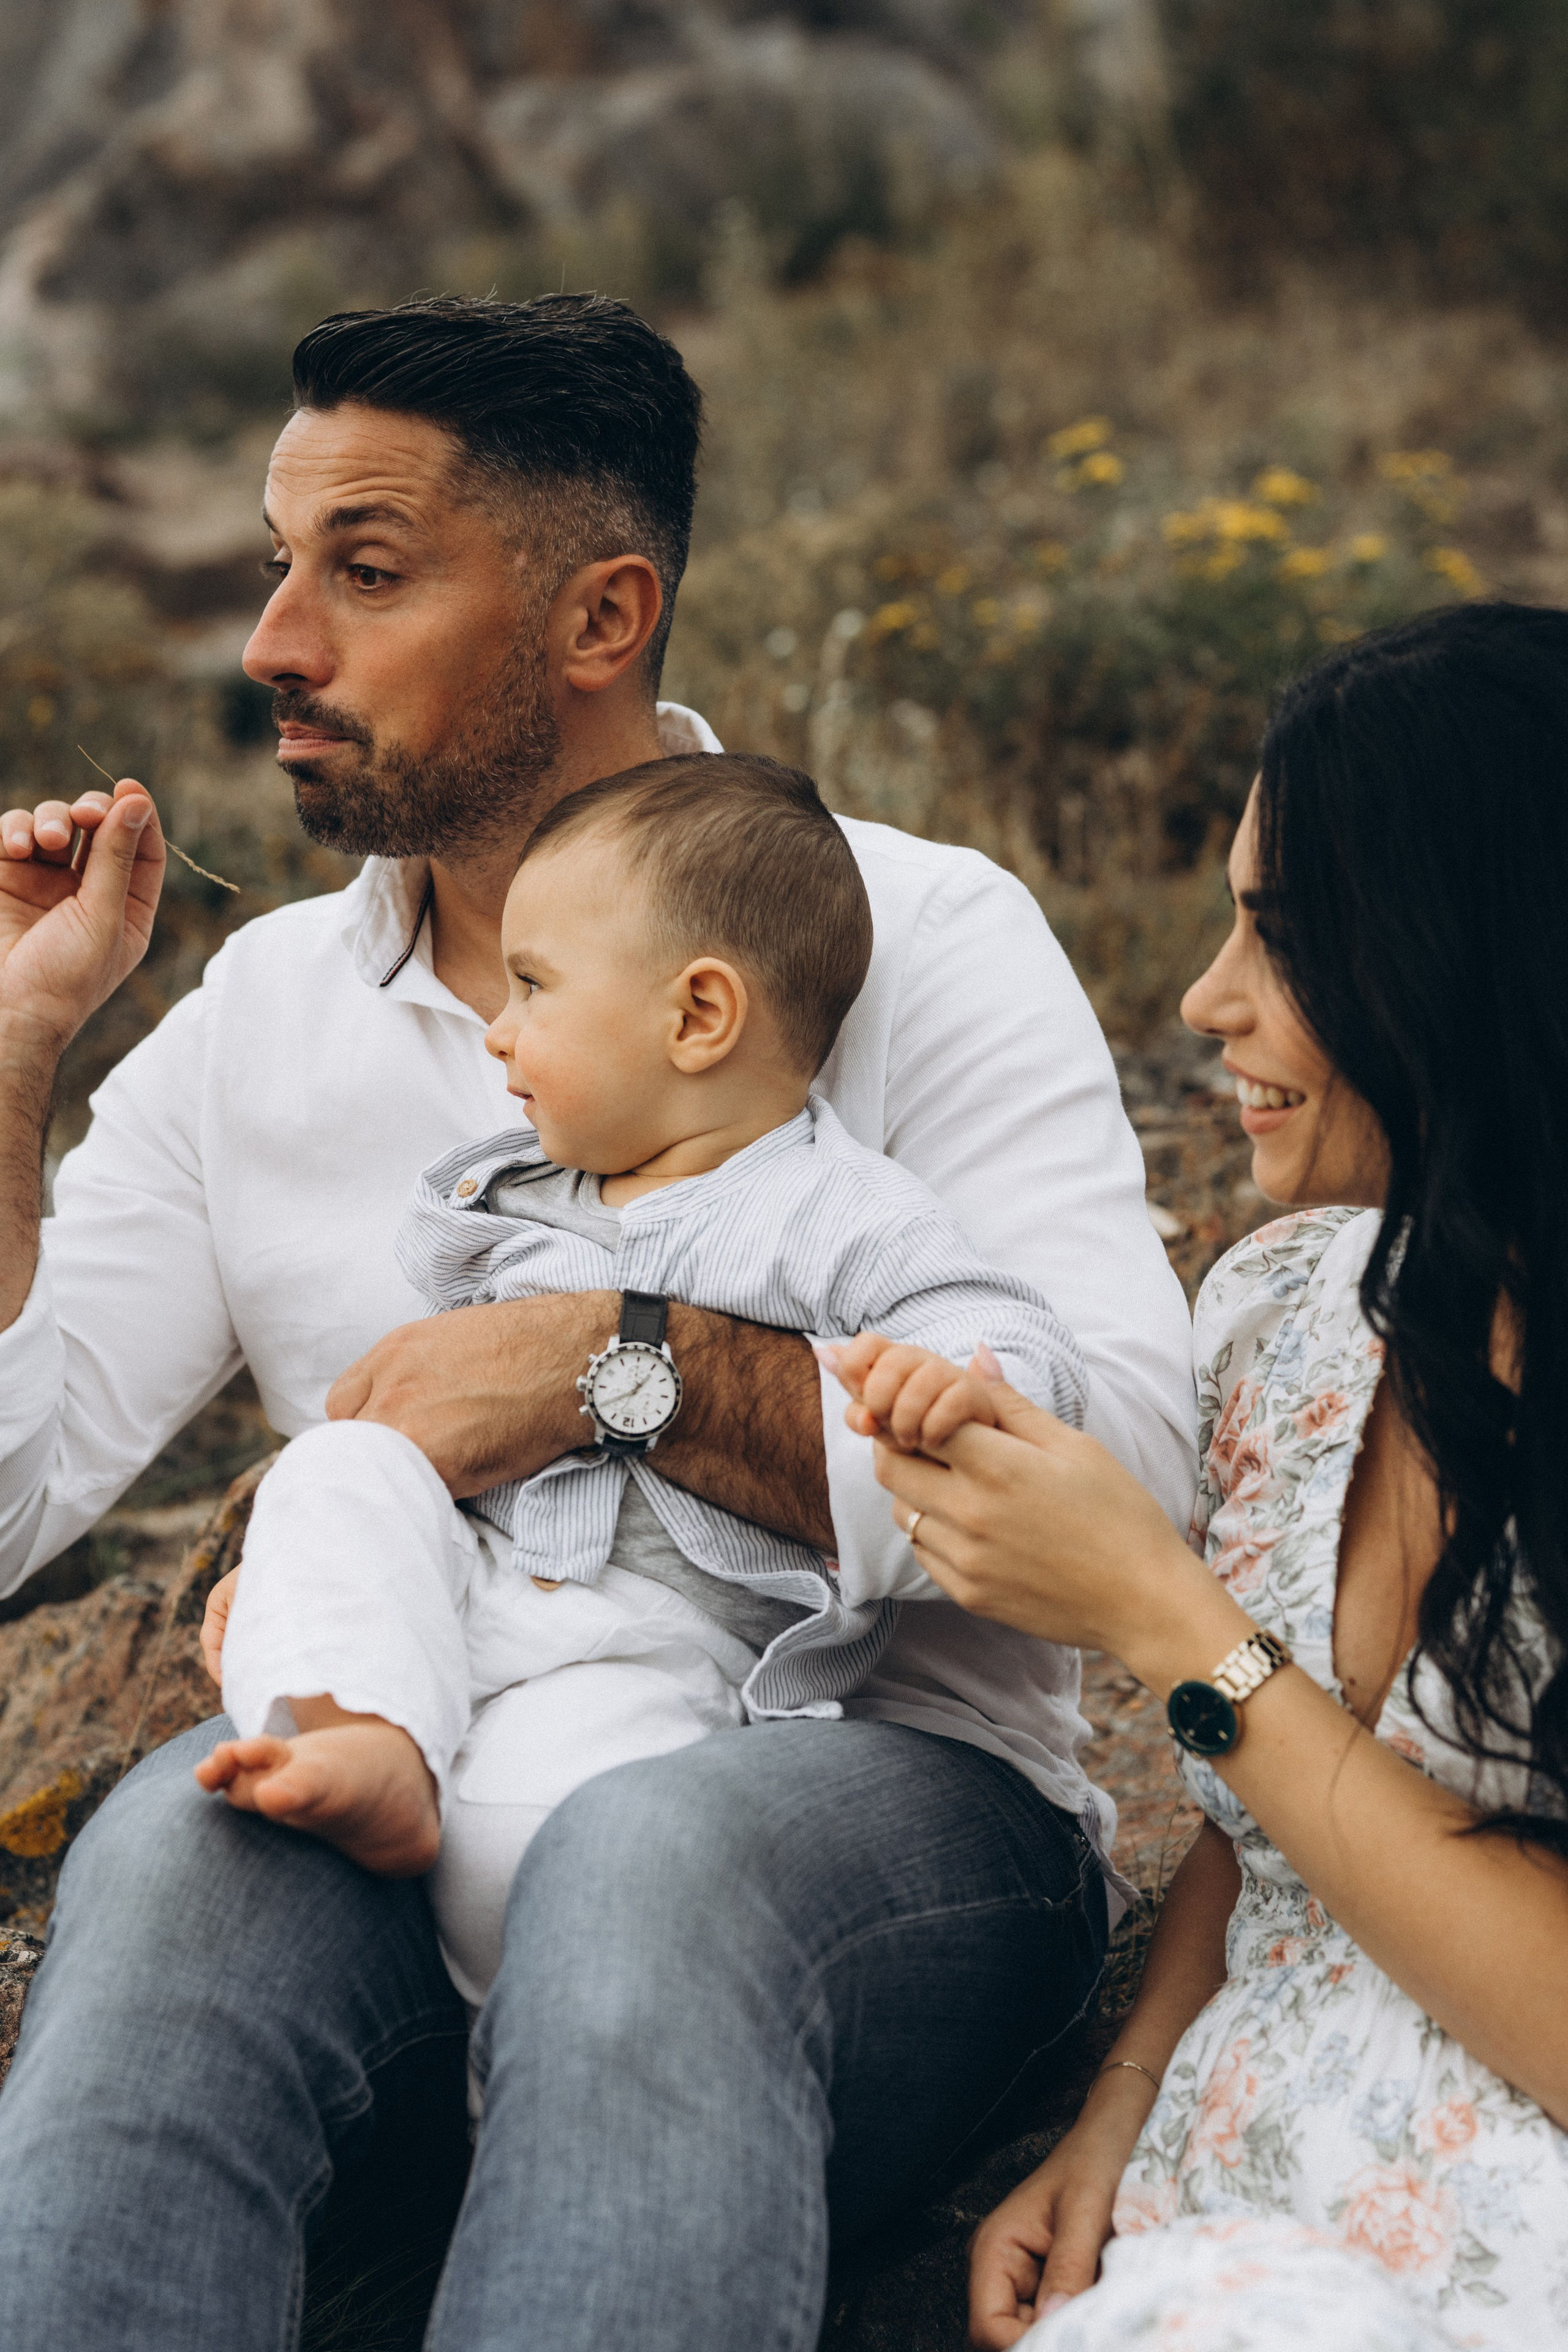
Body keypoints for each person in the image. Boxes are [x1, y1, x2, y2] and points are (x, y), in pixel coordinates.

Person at [0, 293, 1193, 2350]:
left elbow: (1131, 1496)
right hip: (432, 1778)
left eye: (363, 576)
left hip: (876, 1798)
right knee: (171, 1872)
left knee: (656, 1862)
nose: (277, 643)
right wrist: (14, 1063)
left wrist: (604, 1368)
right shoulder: (262, 1017)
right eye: (281, 569)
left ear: (602, 613)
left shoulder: (913, 930)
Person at [829, 601, 1568, 2350]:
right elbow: (1278, 1829)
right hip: (1216, 2193)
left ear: (1471, 954)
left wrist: (1169, 1621)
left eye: (1283, 937)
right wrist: (1125, 2102)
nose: (1202, 1000)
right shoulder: (1291, 1311)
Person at [203, 752, 1090, 2011]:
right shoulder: (516, 1193)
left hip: (650, 1638)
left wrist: (945, 1383)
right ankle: (357, 1724)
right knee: (335, 1471)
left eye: (530, 987)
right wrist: (325, 1567)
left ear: (695, 1018)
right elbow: (441, 1439)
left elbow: (1019, 1351)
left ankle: (502, 2072)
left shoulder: (831, 1210)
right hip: (477, 1589)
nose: (498, 1031)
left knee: (533, 1837)